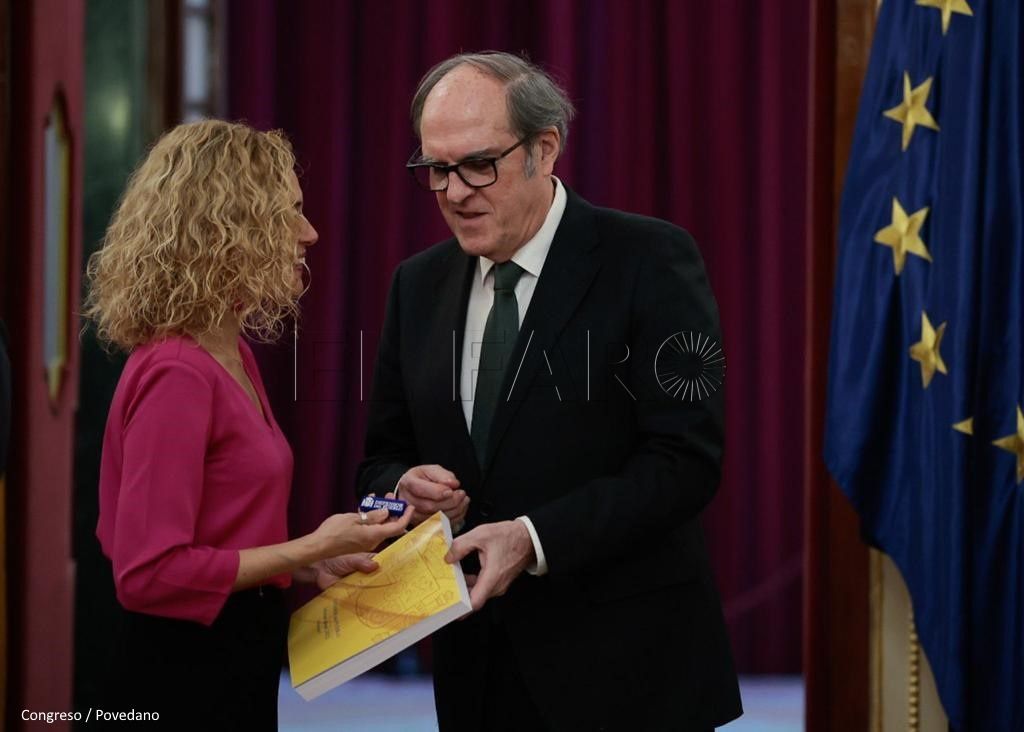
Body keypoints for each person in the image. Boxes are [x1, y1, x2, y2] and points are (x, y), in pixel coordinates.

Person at [355, 52, 742, 731]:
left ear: (545, 148)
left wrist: (533, 538)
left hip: (629, 677)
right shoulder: (415, 286)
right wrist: (405, 485)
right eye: (435, 170)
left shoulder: (649, 260)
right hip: (477, 676)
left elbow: (684, 460)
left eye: (478, 164)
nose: (454, 192)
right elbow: (380, 460)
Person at [85, 119, 411, 730]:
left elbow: (222, 535)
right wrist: (311, 545)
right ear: (227, 228)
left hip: (235, 658)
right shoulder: (179, 370)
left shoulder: (228, 352)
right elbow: (148, 574)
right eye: (288, 212)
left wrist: (311, 566)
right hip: (179, 676)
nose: (310, 233)